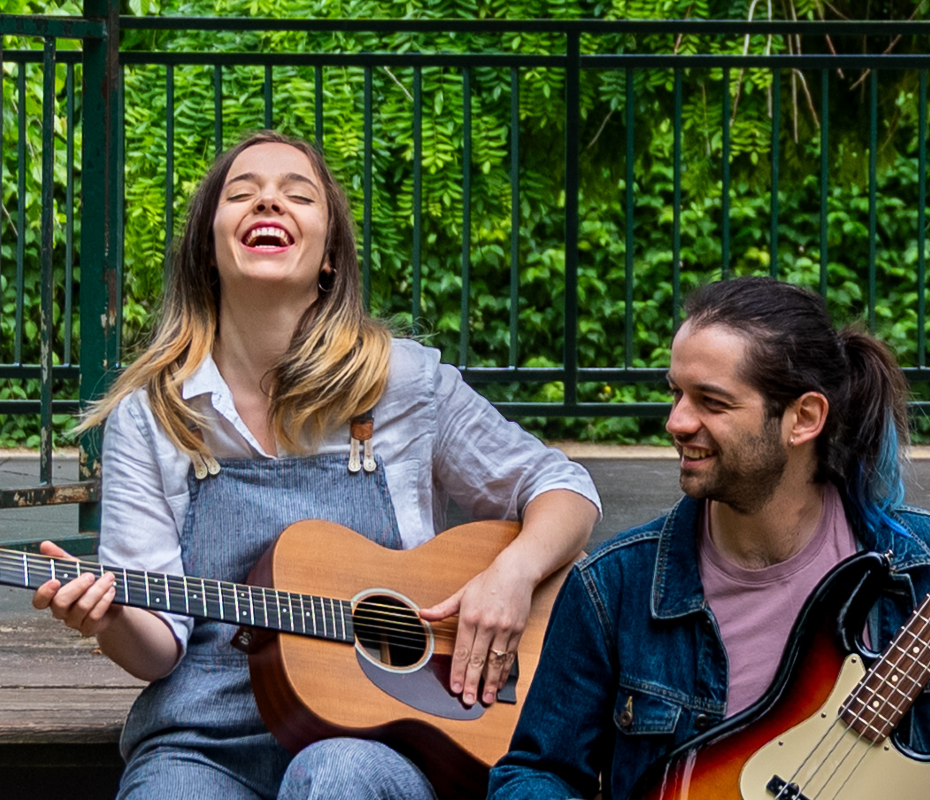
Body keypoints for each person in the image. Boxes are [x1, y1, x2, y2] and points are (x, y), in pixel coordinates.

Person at [33, 131, 602, 800]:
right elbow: (157, 648)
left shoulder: (405, 385)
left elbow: (564, 489)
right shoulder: (152, 414)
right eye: (242, 193)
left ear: (329, 256)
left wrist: (511, 576)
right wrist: (108, 620)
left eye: (297, 195)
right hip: (205, 741)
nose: (268, 201)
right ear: (207, 249)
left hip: (377, 746)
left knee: (335, 777)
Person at [487, 277, 930, 799]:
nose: (676, 421)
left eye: (711, 401)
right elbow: (535, 772)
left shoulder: (928, 567)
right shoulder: (615, 589)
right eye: (675, 393)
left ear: (804, 418)